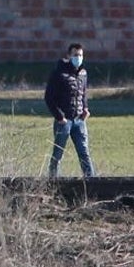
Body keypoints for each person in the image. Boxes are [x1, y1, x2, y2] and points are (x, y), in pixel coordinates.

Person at [44, 42, 96, 178]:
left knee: (84, 152)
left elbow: (83, 93)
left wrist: (85, 108)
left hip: (79, 120)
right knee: (58, 153)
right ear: (68, 56)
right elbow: (49, 97)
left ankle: (91, 181)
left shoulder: (83, 73)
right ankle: (53, 180)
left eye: (80, 55)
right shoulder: (59, 73)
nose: (78, 58)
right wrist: (59, 116)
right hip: (64, 120)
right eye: (75, 55)